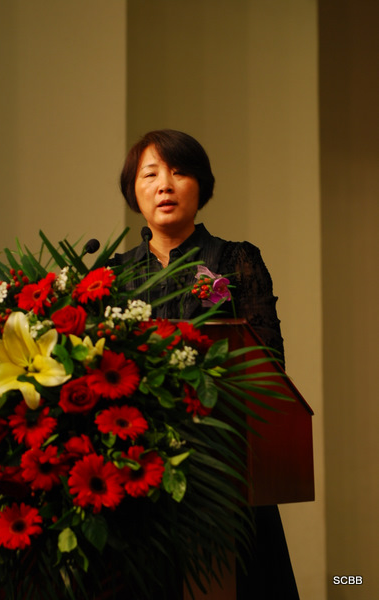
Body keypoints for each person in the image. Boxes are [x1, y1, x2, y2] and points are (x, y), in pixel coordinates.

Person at [111, 129, 299, 599]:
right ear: (134, 191)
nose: (165, 185)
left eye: (179, 172)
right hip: (139, 470)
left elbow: (267, 362)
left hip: (223, 469)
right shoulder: (112, 275)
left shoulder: (236, 260)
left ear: (201, 186)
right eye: (150, 175)